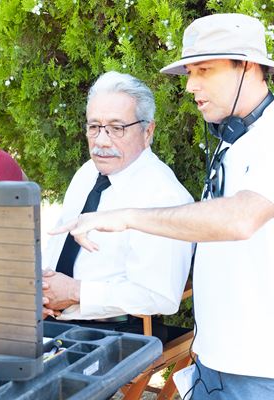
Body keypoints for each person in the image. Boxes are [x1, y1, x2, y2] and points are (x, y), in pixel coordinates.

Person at [51, 14, 274, 399]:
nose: (190, 86)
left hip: (256, 371)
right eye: (189, 72)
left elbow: (241, 219)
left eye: (204, 70)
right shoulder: (234, 138)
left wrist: (125, 217)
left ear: (248, 66)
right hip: (214, 362)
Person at [42, 71, 193, 343]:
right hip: (54, 321)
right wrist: (42, 293)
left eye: (116, 128)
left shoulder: (164, 198)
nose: (101, 140)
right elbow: (56, 246)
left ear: (148, 132)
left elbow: (160, 296)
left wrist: (76, 291)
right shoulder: (88, 172)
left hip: (117, 334)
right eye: (94, 127)